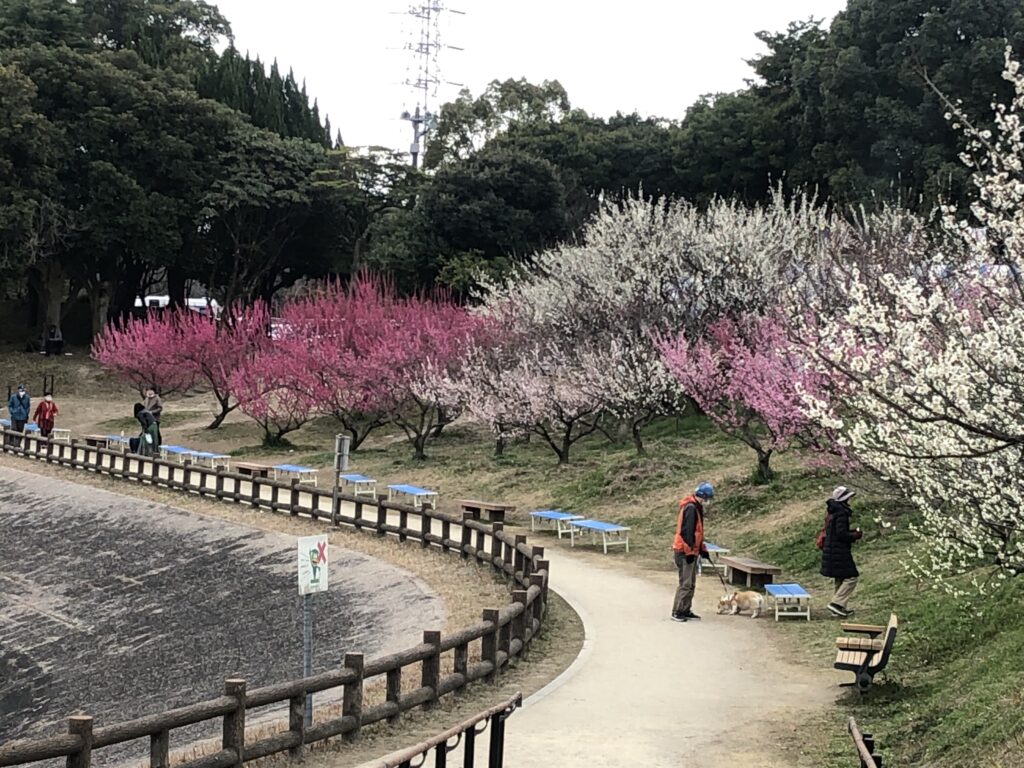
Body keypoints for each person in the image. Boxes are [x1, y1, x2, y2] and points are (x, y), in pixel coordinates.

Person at [671, 482, 714, 622]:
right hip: (684, 551)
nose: (708, 501)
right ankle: (677, 611)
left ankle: (686, 609)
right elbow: (686, 533)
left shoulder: (696, 507)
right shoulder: (690, 508)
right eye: (707, 498)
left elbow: (698, 532)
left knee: (691, 583)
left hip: (692, 551)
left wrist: (702, 549)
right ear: (702, 496)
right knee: (686, 583)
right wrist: (689, 552)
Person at [821, 486, 863, 618]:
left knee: (840, 577)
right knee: (851, 577)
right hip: (839, 550)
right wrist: (855, 535)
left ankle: (839, 609)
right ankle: (837, 603)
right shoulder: (842, 513)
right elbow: (841, 534)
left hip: (832, 549)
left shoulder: (832, 511)